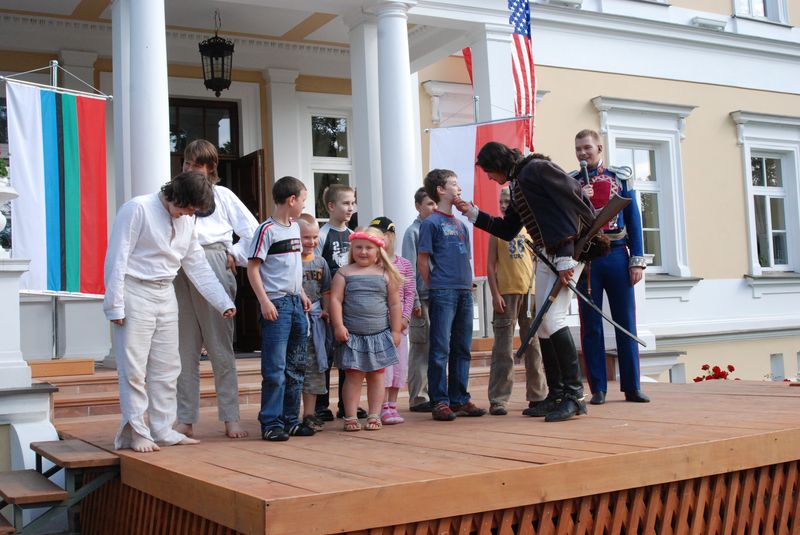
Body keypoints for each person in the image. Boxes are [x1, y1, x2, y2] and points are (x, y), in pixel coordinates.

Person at [459, 142, 597, 422]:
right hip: (549, 253)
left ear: (497, 164)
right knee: (542, 324)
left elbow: (568, 204)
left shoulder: (537, 169)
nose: (490, 178)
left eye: (488, 172)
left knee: (553, 320)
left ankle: (575, 396)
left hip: (568, 252)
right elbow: (508, 230)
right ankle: (556, 394)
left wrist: (566, 255)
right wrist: (473, 213)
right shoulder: (520, 181)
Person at [103, 171, 236, 452]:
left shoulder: (187, 221)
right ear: (176, 195)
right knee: (134, 368)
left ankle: (163, 429)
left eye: (193, 212)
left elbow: (197, 264)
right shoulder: (137, 208)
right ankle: (137, 431)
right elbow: (117, 257)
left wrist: (223, 301)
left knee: (167, 366)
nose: (188, 215)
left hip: (166, 292)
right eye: (188, 208)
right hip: (135, 290)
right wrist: (114, 304)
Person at [174, 140, 258, 440]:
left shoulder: (223, 196)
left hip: (213, 259)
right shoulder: (176, 196)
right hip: (180, 265)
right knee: (185, 349)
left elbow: (253, 232)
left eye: (196, 164)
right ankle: (185, 418)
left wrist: (234, 252)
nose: (189, 168)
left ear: (210, 168)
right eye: (186, 162)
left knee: (220, 347)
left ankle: (230, 417)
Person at [572, 129, 649, 405]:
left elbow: (634, 219)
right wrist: (579, 197)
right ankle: (598, 388)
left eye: (587, 148)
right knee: (590, 325)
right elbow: (568, 223)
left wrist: (636, 260)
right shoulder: (572, 182)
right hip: (588, 260)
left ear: (599, 148)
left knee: (625, 321)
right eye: (578, 149)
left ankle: (632, 386)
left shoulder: (620, 177)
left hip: (617, 255)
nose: (583, 153)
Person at [247, 176, 314, 441]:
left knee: (296, 365)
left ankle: (290, 420)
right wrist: (264, 301)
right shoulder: (267, 230)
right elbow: (253, 268)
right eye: (303, 199)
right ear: (292, 200)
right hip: (277, 304)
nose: (304, 205)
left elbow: (292, 266)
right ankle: (271, 423)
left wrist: (302, 293)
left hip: (296, 303)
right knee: (275, 367)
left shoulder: (295, 227)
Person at [418, 169, 486, 421]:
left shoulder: (461, 224)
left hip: (464, 291)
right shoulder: (430, 223)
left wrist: (467, 284)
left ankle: (459, 398)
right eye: (454, 184)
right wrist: (433, 285)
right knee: (440, 347)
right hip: (443, 291)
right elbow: (422, 260)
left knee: (462, 346)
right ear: (440, 190)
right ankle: (440, 400)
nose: (459, 188)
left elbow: (465, 257)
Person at [330, 227, 402, 432]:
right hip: (353, 336)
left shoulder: (386, 274)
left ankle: (374, 414)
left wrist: (396, 331)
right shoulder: (344, 273)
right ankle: (350, 416)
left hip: (379, 335)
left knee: (377, 376)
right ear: (351, 249)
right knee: (353, 376)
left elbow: (394, 304)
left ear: (379, 250)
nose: (362, 252)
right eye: (358, 247)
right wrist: (338, 325)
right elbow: (335, 300)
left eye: (368, 248)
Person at [486, 187, 547, 416]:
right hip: (506, 294)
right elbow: (490, 265)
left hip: (529, 294)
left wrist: (537, 292)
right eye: (501, 202)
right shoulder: (497, 230)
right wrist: (495, 294)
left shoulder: (531, 229)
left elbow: (538, 262)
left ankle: (538, 395)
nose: (504, 206)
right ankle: (499, 399)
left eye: (508, 202)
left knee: (533, 345)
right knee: (503, 348)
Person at [314, 184, 366, 421]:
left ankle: (348, 405)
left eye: (353, 203)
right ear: (331, 206)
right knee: (324, 355)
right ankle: (320, 405)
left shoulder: (353, 236)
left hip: (350, 307)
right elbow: (315, 269)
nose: (350, 208)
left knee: (349, 356)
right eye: (346, 203)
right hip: (327, 306)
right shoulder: (322, 235)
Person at [369, 217, 415, 425]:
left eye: (383, 236)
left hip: (399, 327)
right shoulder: (373, 265)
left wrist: (405, 318)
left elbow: (409, 292)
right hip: (380, 325)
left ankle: (393, 405)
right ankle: (382, 405)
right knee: (384, 368)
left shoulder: (404, 264)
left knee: (398, 366)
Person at [401, 187, 437, 412]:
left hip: (438, 296)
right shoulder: (412, 232)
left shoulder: (437, 229)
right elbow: (408, 269)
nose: (434, 208)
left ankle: (435, 393)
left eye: (436, 203)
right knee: (420, 347)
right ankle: (419, 397)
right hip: (420, 298)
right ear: (418, 206)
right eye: (429, 203)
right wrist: (413, 300)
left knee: (437, 347)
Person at [297, 214, 332, 432]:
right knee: (295, 367)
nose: (311, 242)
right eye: (306, 237)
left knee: (313, 368)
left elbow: (326, 290)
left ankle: (309, 414)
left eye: (314, 237)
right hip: (296, 320)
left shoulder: (321, 262)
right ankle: (290, 413)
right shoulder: (290, 262)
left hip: (316, 322)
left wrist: (326, 310)